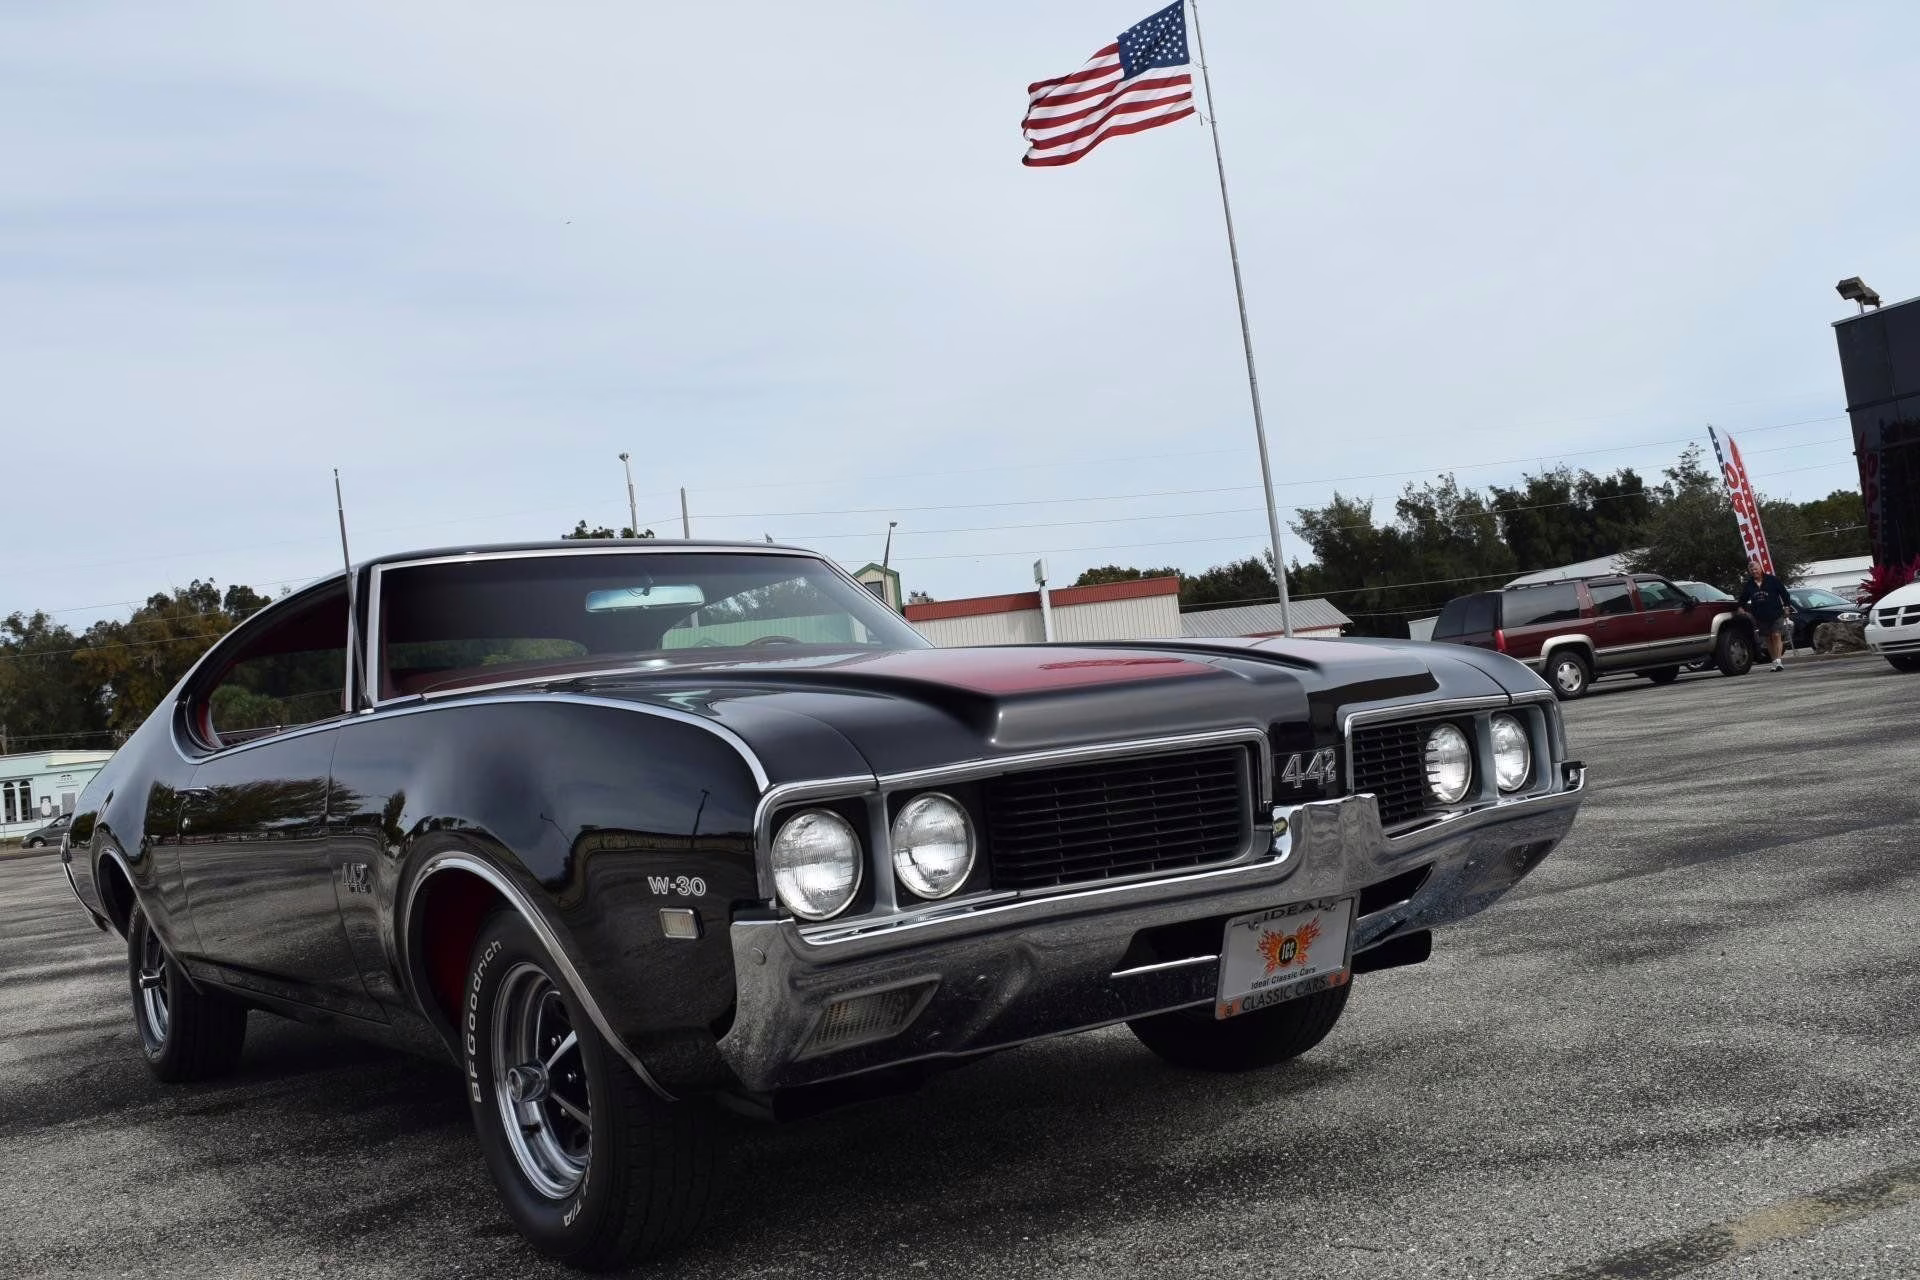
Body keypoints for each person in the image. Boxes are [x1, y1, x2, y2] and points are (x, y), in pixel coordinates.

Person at [1735, 558, 1795, 671]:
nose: (1754, 571)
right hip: (1760, 615)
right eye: (1751, 570)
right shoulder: (1749, 585)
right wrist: (1740, 607)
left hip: (1776, 612)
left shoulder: (1772, 580)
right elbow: (1743, 598)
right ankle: (1774, 661)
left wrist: (1787, 607)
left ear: (1760, 568)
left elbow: (1784, 594)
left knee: (1776, 635)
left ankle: (1778, 661)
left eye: (1756, 569)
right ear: (1750, 572)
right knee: (1768, 638)